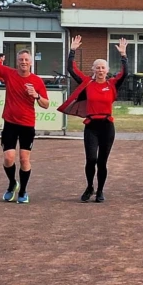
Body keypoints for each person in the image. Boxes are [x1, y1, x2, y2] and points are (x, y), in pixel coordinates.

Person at [0, 23, 49, 204]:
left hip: (27, 124)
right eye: (21, 60)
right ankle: (12, 184)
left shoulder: (37, 81)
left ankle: (23, 192)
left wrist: (36, 96)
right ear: (17, 61)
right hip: (10, 123)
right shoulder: (9, 74)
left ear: (31, 62)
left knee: (24, 159)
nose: (24, 62)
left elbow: (46, 105)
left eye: (26, 60)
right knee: (8, 157)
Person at [57, 35, 127, 202]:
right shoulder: (87, 82)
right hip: (91, 127)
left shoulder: (112, 84)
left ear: (107, 70)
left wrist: (123, 55)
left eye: (103, 68)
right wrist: (72, 51)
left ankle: (100, 191)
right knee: (91, 159)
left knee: (102, 161)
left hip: (107, 127)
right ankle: (90, 187)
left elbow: (126, 73)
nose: (100, 70)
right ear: (93, 69)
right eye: (97, 68)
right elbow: (71, 69)